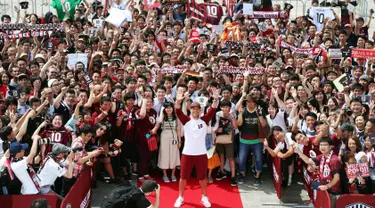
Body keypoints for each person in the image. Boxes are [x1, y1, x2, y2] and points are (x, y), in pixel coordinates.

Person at [173, 88, 219, 208]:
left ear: (200, 110)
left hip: (201, 153)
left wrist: (215, 98)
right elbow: (177, 111)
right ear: (190, 109)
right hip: (187, 153)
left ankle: (204, 197)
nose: (195, 110)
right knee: (183, 177)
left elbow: (213, 110)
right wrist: (178, 101)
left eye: (197, 108)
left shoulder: (204, 120)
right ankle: (180, 197)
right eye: (193, 108)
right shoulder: (186, 121)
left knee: (202, 178)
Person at [294, 137, 342, 207]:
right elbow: (308, 161)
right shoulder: (322, 156)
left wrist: (327, 186)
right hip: (325, 190)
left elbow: (337, 178)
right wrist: (298, 151)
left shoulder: (334, 160)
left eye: (325, 145)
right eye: (321, 145)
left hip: (333, 193)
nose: (322, 147)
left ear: (331, 147)